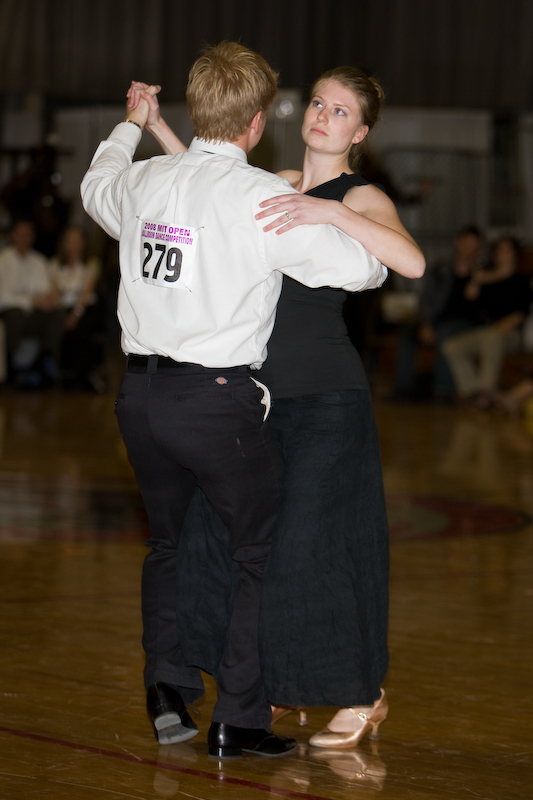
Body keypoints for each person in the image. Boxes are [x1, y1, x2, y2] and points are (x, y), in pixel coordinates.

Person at [81, 43, 388, 759]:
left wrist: (133, 123)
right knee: (257, 550)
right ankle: (240, 716)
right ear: (256, 123)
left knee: (169, 543)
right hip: (213, 402)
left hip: (138, 398)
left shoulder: (144, 181)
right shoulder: (257, 199)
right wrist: (329, 219)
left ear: (197, 110)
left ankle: (166, 688)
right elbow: (365, 271)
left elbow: (97, 183)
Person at [393, 226, 483, 402]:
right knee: (407, 336)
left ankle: (443, 391)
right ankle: (403, 388)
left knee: (445, 335)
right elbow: (426, 298)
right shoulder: (441, 270)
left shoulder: (483, 273)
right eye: (466, 244)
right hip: (437, 320)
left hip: (467, 323)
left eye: (474, 247)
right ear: (458, 243)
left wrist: (478, 279)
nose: (469, 250)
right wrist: (426, 323)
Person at [442, 236, 531, 409]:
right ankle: (471, 392)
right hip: (486, 329)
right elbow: (472, 303)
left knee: (491, 337)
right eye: (499, 250)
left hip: (510, 333)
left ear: (515, 254)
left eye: (506, 251)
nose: (501, 254)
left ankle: (486, 394)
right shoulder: (487, 279)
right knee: (451, 346)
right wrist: (477, 282)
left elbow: (521, 313)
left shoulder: (521, 280)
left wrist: (499, 327)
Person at [0, 219, 64, 384]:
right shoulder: (3, 261)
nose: (24, 238)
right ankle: (14, 367)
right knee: (15, 315)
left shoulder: (39, 261)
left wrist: (46, 300)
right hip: (11, 314)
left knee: (55, 314)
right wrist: (31, 301)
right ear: (12, 236)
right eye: (20, 234)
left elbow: (45, 290)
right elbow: (3, 298)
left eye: (28, 234)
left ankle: (46, 359)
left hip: (34, 314)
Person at [48, 225, 105, 390]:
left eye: (77, 241)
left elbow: (86, 293)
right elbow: (55, 292)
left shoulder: (91, 263)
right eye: (69, 241)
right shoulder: (55, 264)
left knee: (83, 329)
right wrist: (63, 313)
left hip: (85, 308)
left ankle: (84, 374)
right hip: (63, 308)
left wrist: (75, 315)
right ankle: (63, 373)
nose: (73, 245)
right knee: (56, 326)